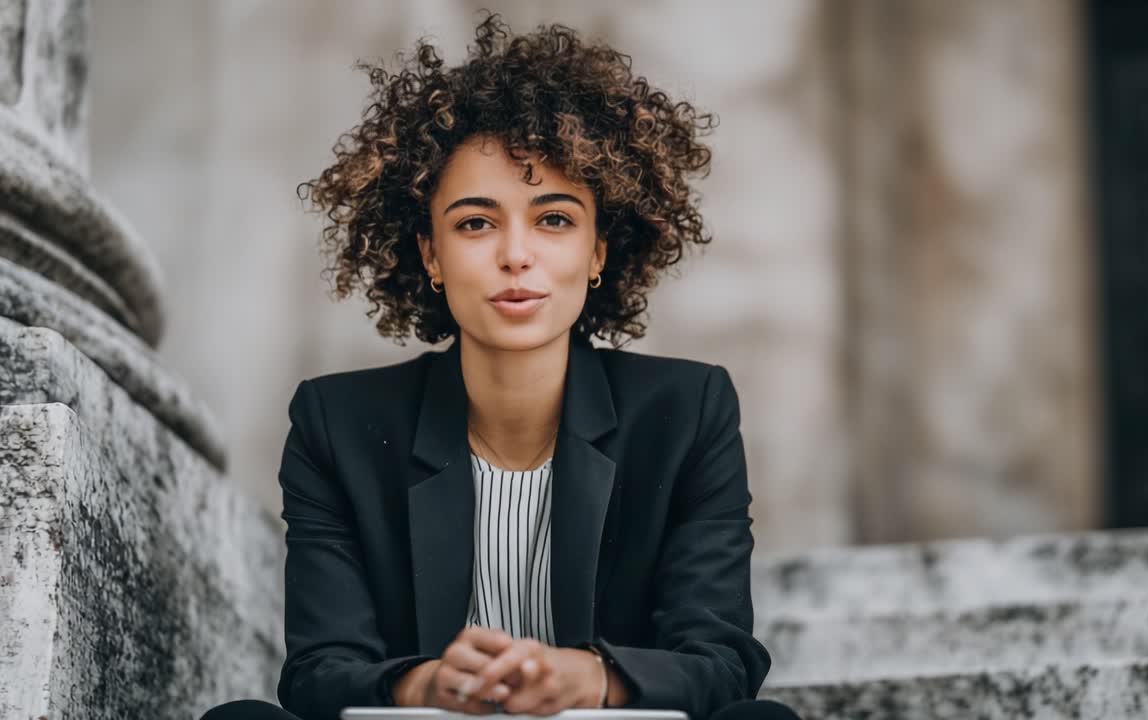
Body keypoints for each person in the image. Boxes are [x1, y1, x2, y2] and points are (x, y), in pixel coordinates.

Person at [202, 12, 797, 720]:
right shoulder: (337, 425)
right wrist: (427, 686)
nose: (517, 255)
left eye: (553, 219)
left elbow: (721, 663)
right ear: (430, 253)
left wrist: (589, 680)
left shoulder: (688, 410)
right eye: (476, 223)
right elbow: (318, 674)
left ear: (599, 251)